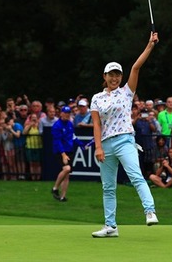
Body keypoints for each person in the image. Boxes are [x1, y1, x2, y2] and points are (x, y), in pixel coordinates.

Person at [90, 32, 159, 238]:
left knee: (136, 176)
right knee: (108, 187)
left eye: (117, 74)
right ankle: (110, 226)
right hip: (106, 145)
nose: (114, 77)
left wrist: (150, 46)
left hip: (125, 140)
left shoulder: (126, 92)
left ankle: (150, 211)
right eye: (111, 74)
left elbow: (136, 67)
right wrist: (98, 147)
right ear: (104, 76)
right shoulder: (96, 98)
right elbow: (96, 124)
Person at [50, 106, 85, 202]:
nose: (67, 115)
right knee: (67, 169)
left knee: (67, 175)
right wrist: (63, 154)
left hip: (70, 150)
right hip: (60, 151)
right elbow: (58, 142)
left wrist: (81, 145)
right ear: (61, 113)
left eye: (68, 113)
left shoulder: (70, 124)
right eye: (65, 113)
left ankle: (62, 196)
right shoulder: (57, 126)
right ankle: (55, 188)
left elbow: (73, 137)